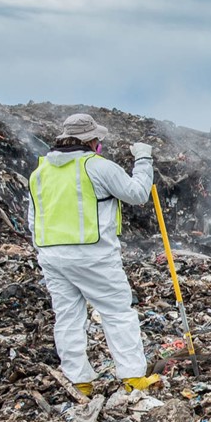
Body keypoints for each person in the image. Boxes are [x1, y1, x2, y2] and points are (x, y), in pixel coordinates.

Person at [27, 113, 160, 395]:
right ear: (91, 141)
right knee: (117, 313)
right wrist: (144, 160)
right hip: (92, 255)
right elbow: (137, 194)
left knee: (67, 317)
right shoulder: (97, 167)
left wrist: (44, 252)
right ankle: (134, 378)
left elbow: (33, 218)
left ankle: (80, 383)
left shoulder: (39, 173)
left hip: (52, 255)